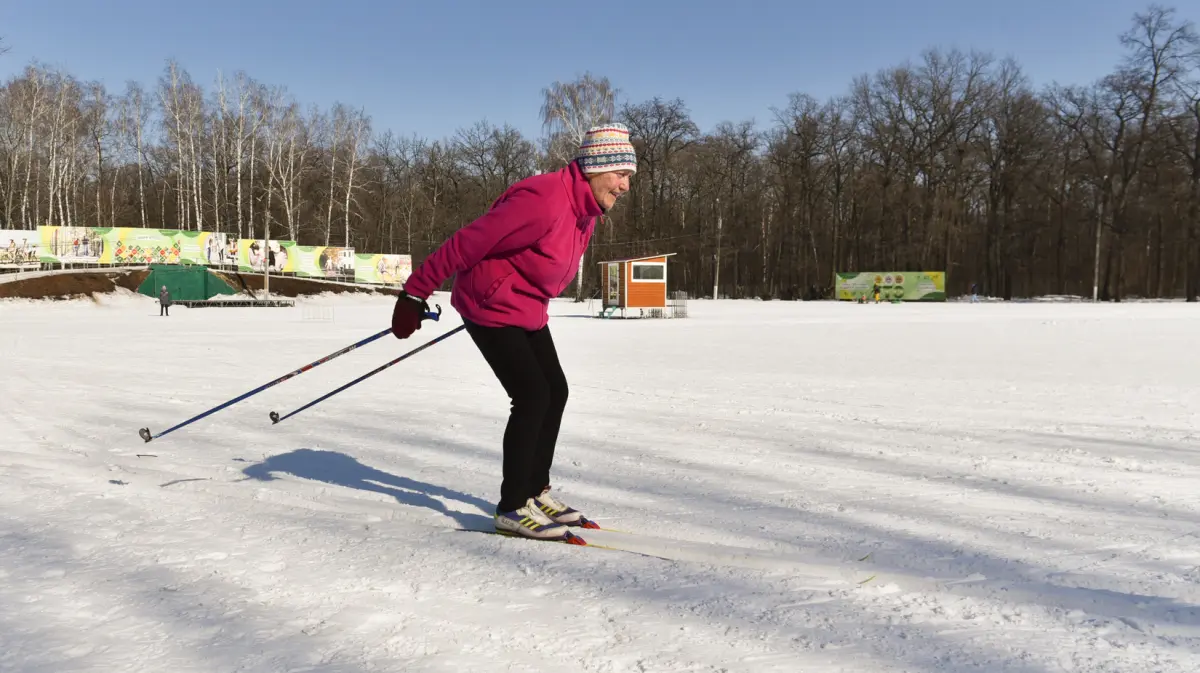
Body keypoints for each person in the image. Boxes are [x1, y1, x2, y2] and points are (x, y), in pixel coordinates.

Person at [390, 123, 636, 541]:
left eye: (628, 176)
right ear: (595, 168)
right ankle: (512, 507)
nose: (625, 185)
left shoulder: (586, 210)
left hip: (526, 307)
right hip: (488, 305)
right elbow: (466, 243)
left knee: (555, 390)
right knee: (532, 395)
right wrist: (414, 294)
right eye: (620, 174)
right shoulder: (543, 200)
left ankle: (535, 492)